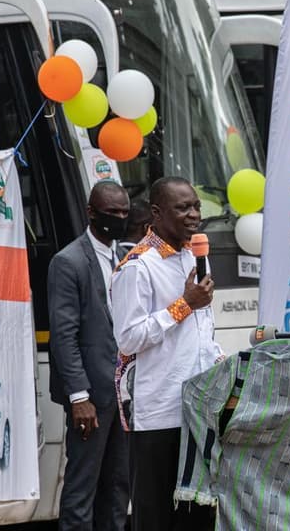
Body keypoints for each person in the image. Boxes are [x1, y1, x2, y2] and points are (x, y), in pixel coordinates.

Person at [111, 176, 222, 531]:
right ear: (157, 213)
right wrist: (184, 304)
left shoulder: (196, 257)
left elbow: (201, 332)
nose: (194, 215)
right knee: (156, 516)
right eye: (183, 208)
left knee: (197, 515)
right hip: (158, 414)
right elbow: (128, 339)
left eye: (196, 207)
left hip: (198, 412)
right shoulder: (137, 266)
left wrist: (220, 363)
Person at [47, 181, 130, 531]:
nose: (119, 219)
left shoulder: (128, 256)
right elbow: (64, 336)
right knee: (82, 488)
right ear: (91, 213)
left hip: (125, 394)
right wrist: (79, 397)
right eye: (112, 213)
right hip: (91, 398)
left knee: (118, 487)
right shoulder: (68, 262)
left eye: (124, 212)